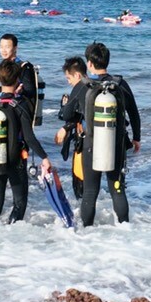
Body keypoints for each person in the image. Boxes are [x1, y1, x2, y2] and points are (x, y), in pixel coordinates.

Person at [70, 43, 142, 227]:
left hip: (90, 144)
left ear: (89, 63)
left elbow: (67, 114)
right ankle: (125, 229)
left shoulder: (82, 85)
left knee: (90, 192)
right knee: (117, 190)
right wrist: (136, 138)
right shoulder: (119, 84)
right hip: (116, 143)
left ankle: (87, 233)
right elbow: (134, 113)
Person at [0, 60, 52, 223]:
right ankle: (13, 236)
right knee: (19, 203)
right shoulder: (20, 105)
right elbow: (29, 137)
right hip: (16, 159)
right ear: (18, 80)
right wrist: (44, 157)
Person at [54, 55, 88, 198]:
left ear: (77, 75)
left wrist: (65, 106)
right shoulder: (93, 86)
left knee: (79, 183)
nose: (69, 82)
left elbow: (66, 115)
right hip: (97, 141)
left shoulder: (79, 87)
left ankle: (84, 217)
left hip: (84, 143)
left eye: (69, 78)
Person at [0, 32, 43, 123]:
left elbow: (30, 90)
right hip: (7, 108)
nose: (3, 50)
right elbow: (4, 89)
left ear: (15, 48)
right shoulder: (4, 67)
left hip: (20, 112)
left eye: (7, 47)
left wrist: (20, 91)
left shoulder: (23, 67)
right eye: (1, 47)